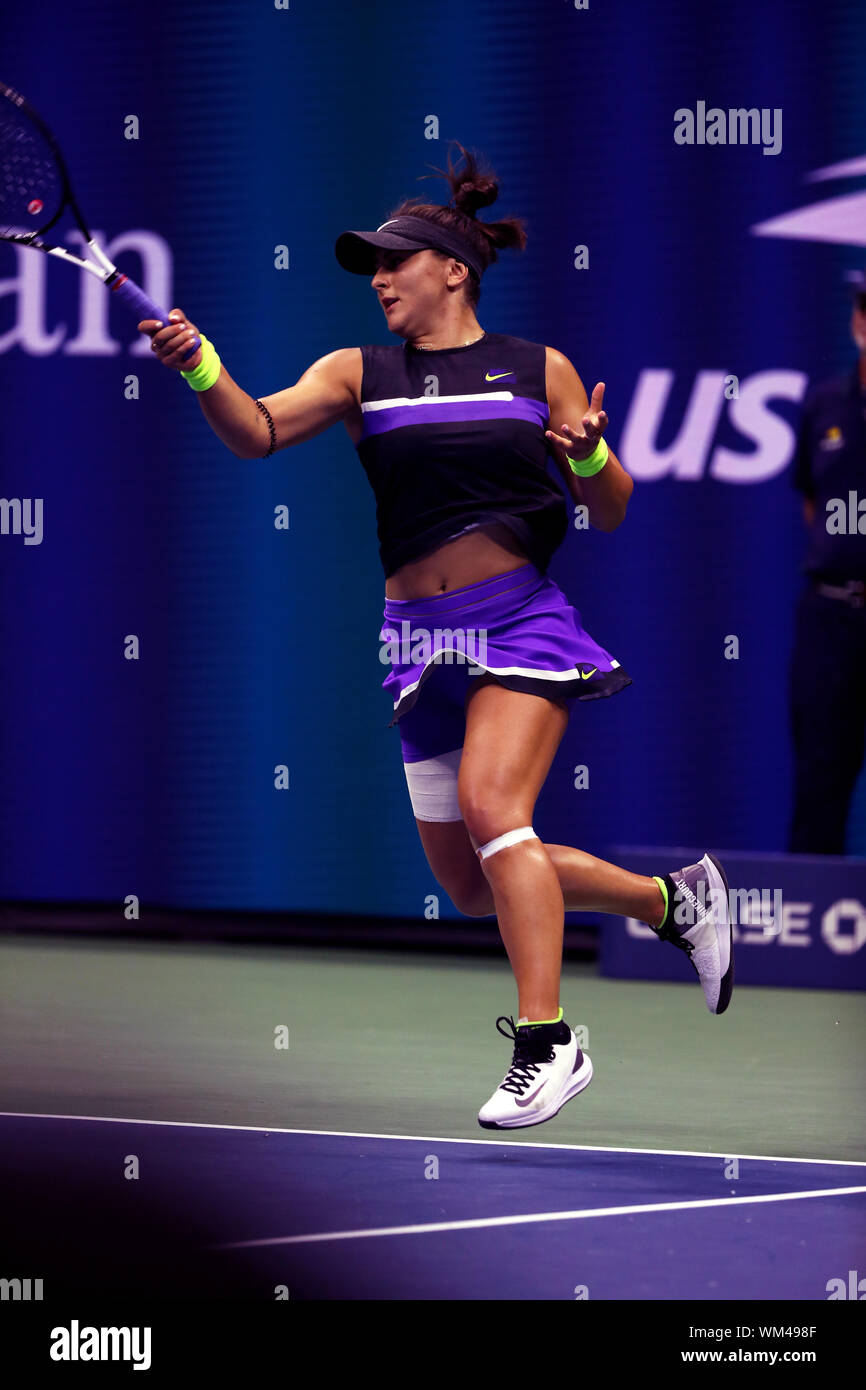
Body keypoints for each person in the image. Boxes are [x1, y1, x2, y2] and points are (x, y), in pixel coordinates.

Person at [139, 142, 733, 1130]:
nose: (377, 282)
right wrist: (202, 367)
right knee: (472, 881)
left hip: (518, 623)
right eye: (369, 268)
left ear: (451, 269)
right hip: (415, 642)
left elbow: (612, 505)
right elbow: (256, 429)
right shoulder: (356, 372)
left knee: (494, 803)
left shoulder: (535, 366)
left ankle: (547, 1042)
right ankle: (672, 903)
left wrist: (585, 450)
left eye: (391, 262)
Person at [789, 272, 866, 855]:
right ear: (857, 324)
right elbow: (813, 498)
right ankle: (811, 934)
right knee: (820, 778)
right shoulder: (823, 406)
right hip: (830, 618)